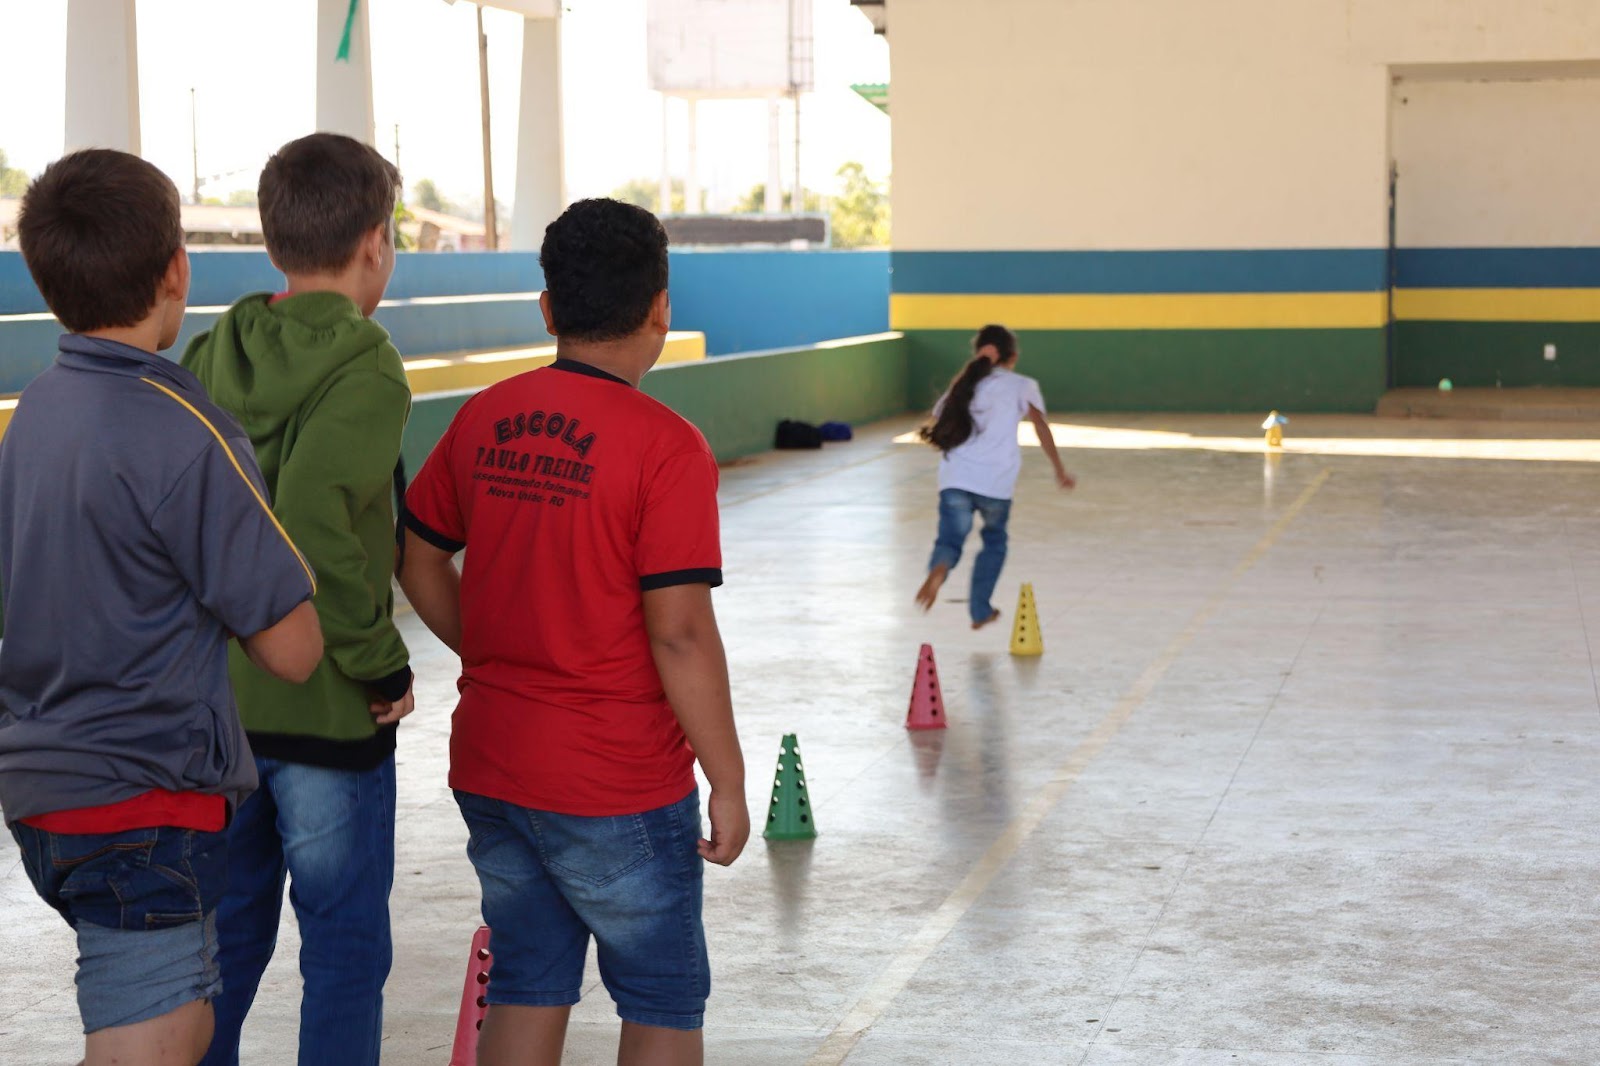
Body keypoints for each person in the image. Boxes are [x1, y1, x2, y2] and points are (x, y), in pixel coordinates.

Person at [399, 198, 748, 1066]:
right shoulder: (667, 449)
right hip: (615, 780)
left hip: (493, 763)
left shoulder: (484, 417)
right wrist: (728, 776)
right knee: (663, 996)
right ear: (661, 308)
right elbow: (680, 634)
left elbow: (417, 562)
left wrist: (492, 653)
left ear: (548, 309)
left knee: (527, 981)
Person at [0, 149, 324, 1066]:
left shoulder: (39, 411)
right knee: (151, 1039)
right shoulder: (182, 429)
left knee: (178, 1023)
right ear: (177, 268)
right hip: (138, 798)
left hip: (45, 791)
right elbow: (292, 650)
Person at [183, 133, 414, 1066]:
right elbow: (316, 527)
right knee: (345, 949)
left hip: (224, 714)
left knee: (223, 951)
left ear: (274, 243)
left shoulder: (211, 351)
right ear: (377, 243)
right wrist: (379, 659)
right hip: (326, 709)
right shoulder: (367, 365)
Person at [914, 324, 1075, 627]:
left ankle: (938, 571)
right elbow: (1040, 426)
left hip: (955, 479)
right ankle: (979, 610)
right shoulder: (1022, 385)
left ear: (979, 354)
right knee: (994, 541)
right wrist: (1059, 469)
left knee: (950, 539)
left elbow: (938, 417)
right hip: (995, 484)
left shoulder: (962, 385)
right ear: (1012, 357)